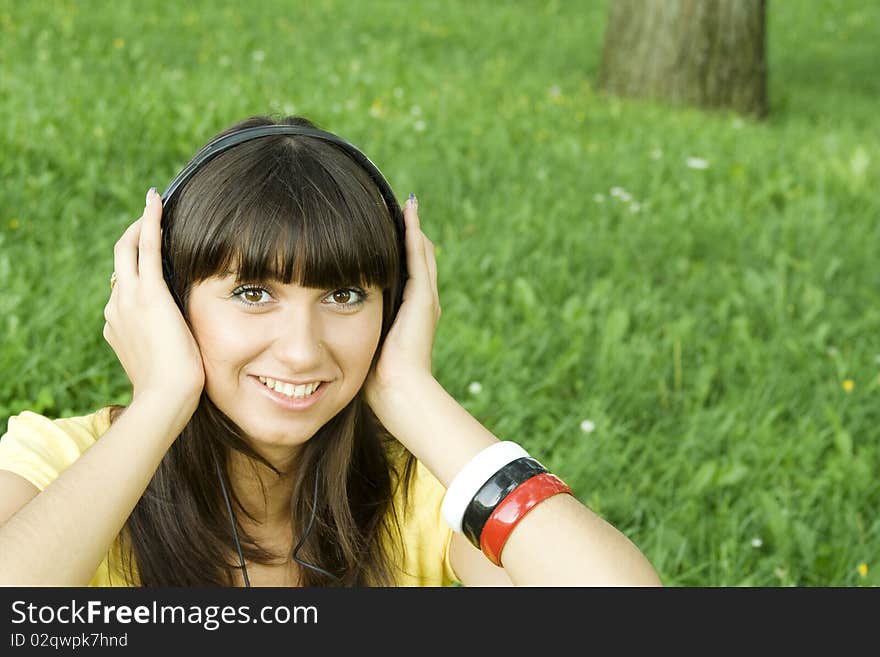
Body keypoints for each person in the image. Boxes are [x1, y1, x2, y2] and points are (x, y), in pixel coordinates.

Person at [0, 115, 662, 587]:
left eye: (344, 295)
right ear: (167, 302)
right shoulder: (61, 462)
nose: (300, 350)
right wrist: (160, 401)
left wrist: (412, 392)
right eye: (254, 293)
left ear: (396, 306)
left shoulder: (421, 495)